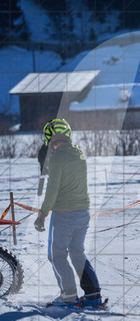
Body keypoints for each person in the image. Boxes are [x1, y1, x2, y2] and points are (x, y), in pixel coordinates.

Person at [34, 119, 102, 308]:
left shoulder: (56, 158)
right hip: (83, 212)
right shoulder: (79, 154)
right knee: (77, 252)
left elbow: (52, 190)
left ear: (49, 139)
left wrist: (42, 214)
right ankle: (93, 295)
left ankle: (68, 296)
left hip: (64, 214)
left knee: (56, 255)